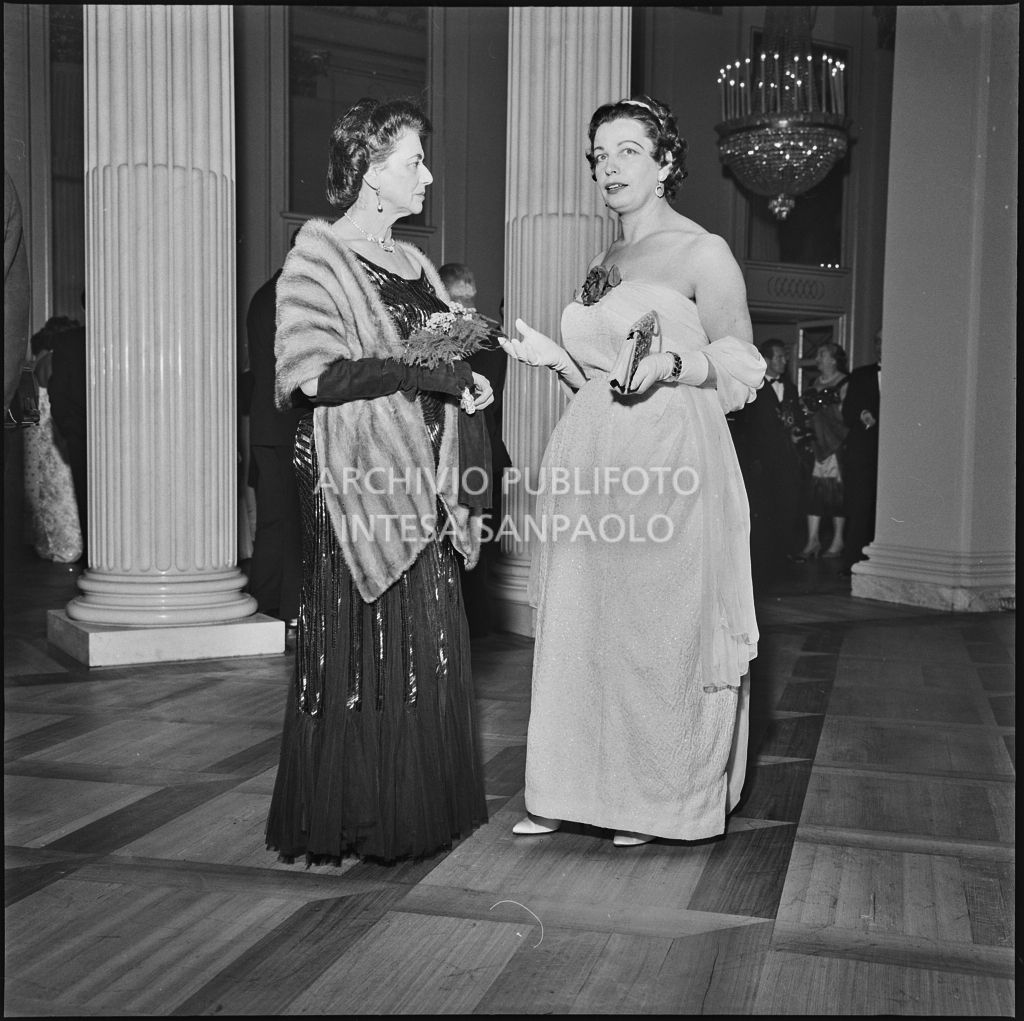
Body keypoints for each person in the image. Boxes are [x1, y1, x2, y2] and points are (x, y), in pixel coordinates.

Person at [499, 95, 765, 847]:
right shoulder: (603, 261)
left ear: (665, 162)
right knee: (582, 624)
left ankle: (657, 800)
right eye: (599, 155)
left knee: (655, 629)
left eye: (626, 152)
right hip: (590, 457)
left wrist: (670, 367)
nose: (609, 167)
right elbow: (602, 372)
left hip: (669, 457)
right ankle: (571, 789)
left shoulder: (701, 250)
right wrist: (559, 362)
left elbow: (744, 364)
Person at [266, 97, 495, 865]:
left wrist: (464, 383)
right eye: (413, 162)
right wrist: (422, 371)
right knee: (362, 646)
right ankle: (362, 812)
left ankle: (411, 809)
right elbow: (311, 376)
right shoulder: (317, 256)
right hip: (354, 476)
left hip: (424, 476)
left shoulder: (417, 263)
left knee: (422, 637)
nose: (427, 176)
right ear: (369, 170)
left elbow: (435, 355)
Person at [439, 262, 513, 636]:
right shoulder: (493, 340)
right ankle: (473, 628)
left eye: (468, 300)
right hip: (485, 456)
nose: (466, 307)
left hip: (466, 455)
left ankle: (464, 629)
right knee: (476, 547)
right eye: (460, 300)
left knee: (468, 547)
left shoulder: (447, 340)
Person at [245, 233, 303, 625]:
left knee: (273, 521)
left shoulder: (265, 294)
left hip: (267, 426)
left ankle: (266, 603)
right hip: (290, 425)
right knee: (296, 526)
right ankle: (290, 609)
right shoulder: (294, 300)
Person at [732, 338, 805, 586]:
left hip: (787, 461)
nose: (784, 361)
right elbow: (746, 427)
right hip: (761, 464)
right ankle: (762, 565)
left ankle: (781, 562)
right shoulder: (755, 388)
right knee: (763, 514)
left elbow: (795, 420)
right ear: (767, 359)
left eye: (785, 357)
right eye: (780, 357)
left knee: (787, 510)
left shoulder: (792, 388)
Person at [23, 317, 83, 563]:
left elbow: (27, 409)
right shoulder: (60, 360)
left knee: (45, 489)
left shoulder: (34, 366)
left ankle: (54, 541)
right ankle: (72, 542)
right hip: (60, 428)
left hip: (39, 430)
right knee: (67, 488)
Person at [798, 341, 849, 559]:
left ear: (833, 359)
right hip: (816, 442)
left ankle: (838, 540)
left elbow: (845, 415)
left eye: (821, 354)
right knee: (815, 491)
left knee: (837, 492)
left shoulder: (846, 382)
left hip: (836, 443)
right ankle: (813, 540)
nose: (817, 358)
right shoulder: (813, 382)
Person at [839, 330, 881, 576]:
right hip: (863, 453)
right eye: (877, 341)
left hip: (892, 456)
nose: (881, 346)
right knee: (860, 507)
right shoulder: (861, 375)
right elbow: (848, 412)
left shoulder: (909, 374)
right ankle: (852, 561)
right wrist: (862, 414)